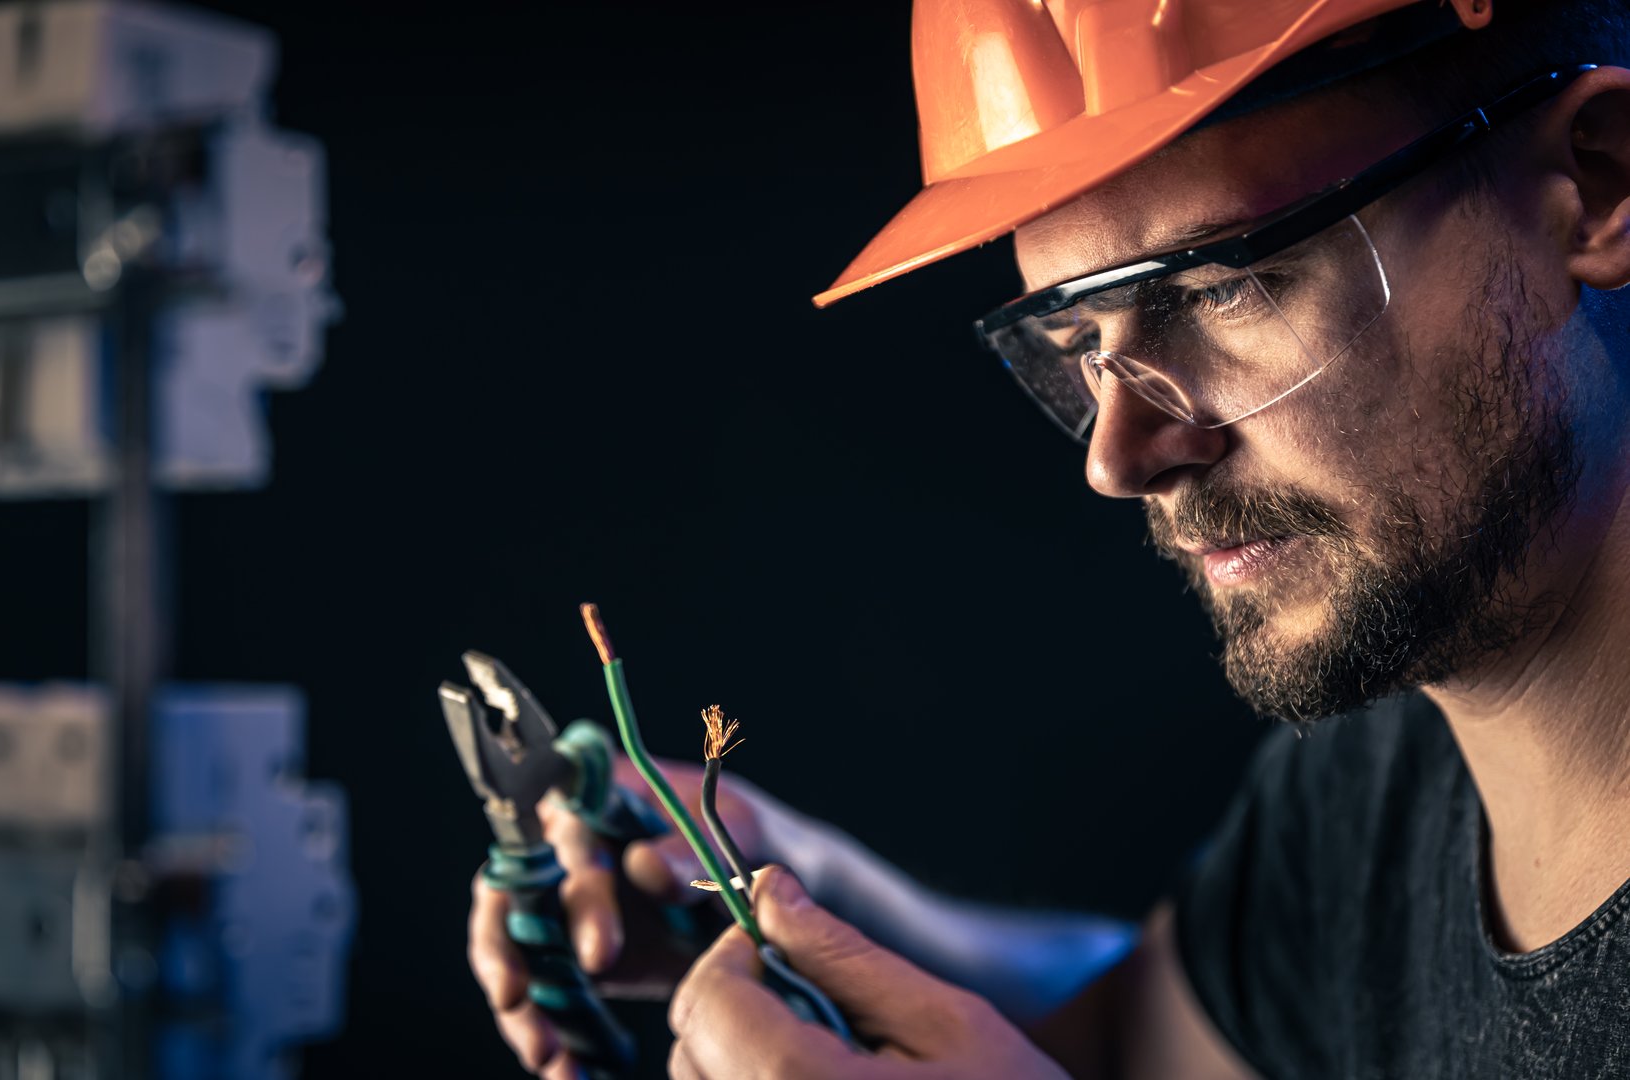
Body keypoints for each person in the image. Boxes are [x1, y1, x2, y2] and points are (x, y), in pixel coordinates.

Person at [470, 0, 1630, 1075]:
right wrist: (806, 902)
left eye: (1232, 289)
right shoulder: (1379, 778)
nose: (1118, 458)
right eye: (1077, 340)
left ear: (1594, 182)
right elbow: (1143, 1037)